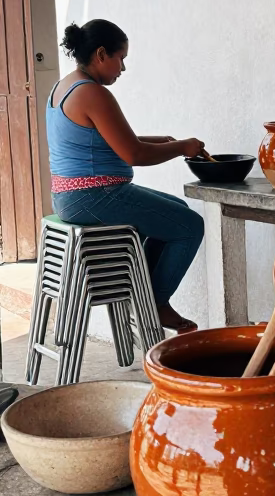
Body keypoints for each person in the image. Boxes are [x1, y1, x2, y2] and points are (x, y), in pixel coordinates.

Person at [47, 18, 206, 333]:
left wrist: (166, 141)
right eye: (121, 59)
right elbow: (133, 154)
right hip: (93, 195)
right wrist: (180, 147)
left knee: (179, 213)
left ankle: (143, 294)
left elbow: (108, 140)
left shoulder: (64, 85)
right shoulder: (92, 93)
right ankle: (154, 303)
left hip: (73, 196)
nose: (122, 68)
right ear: (102, 54)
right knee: (190, 226)